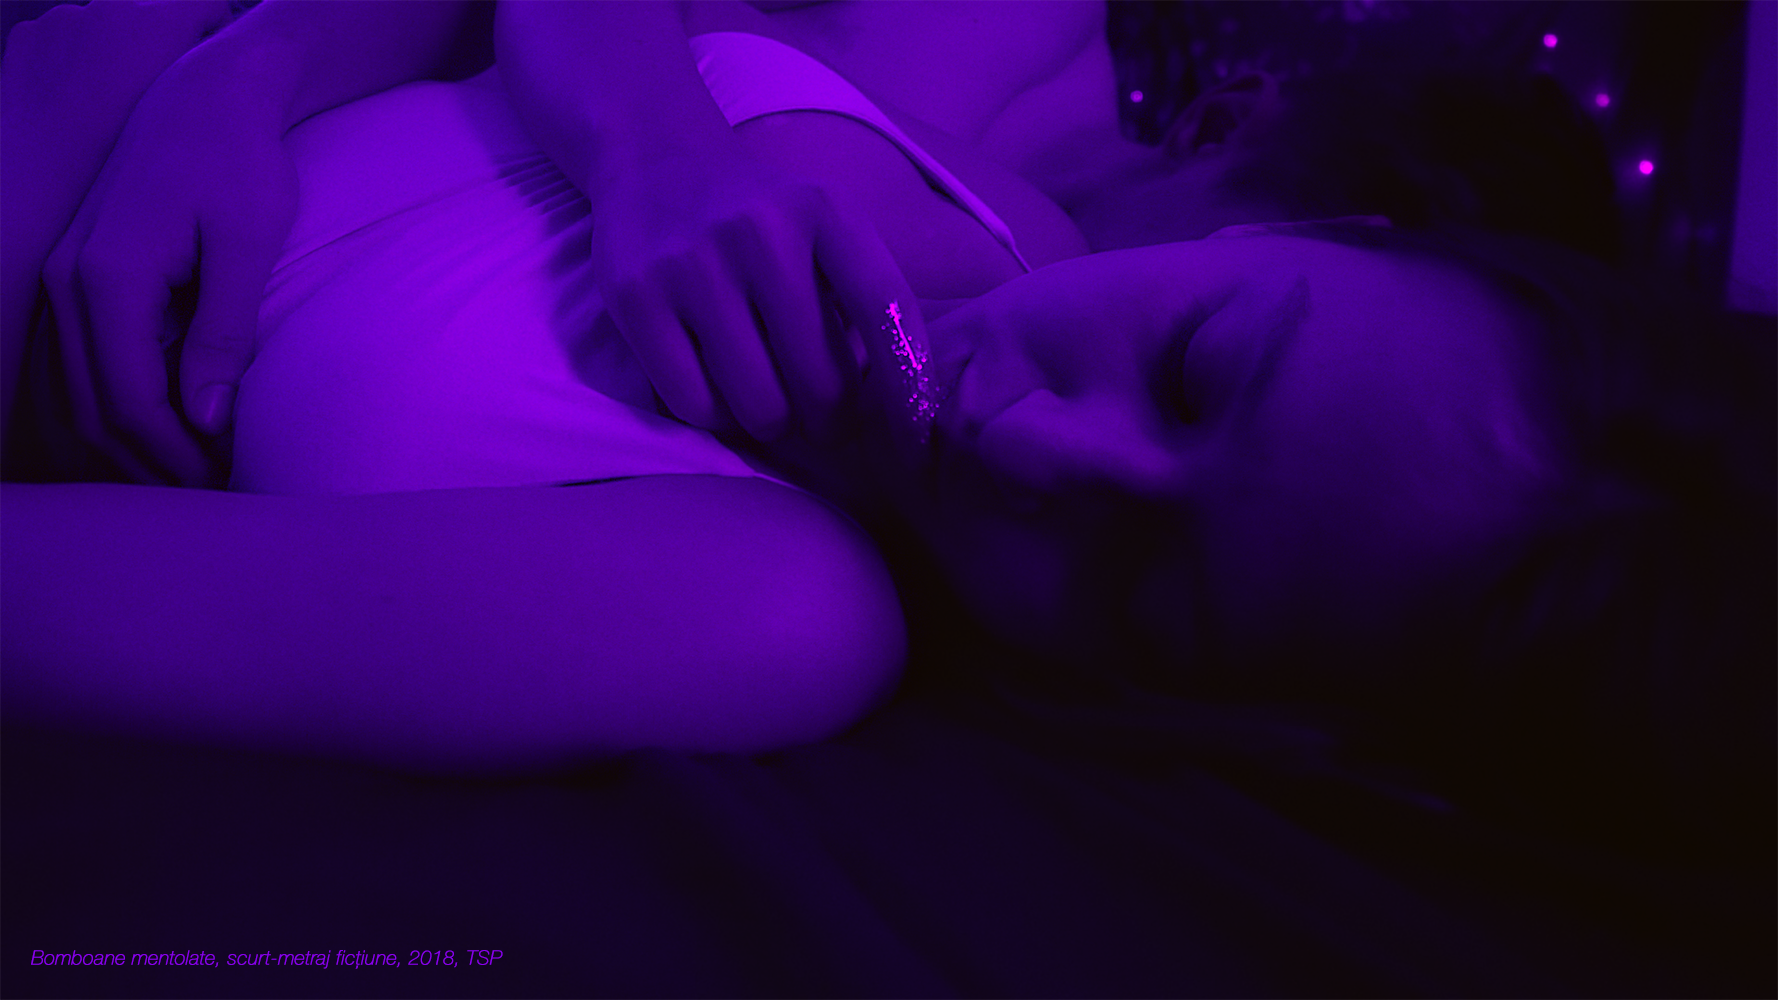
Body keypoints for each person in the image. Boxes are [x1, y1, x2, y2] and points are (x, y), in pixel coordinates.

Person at [0, 0, 1592, 776]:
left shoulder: (774, 612)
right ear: (1301, 230)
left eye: (1141, 583)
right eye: (1192, 366)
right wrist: (226, 80)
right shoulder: (1003, 219)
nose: (1036, 447)